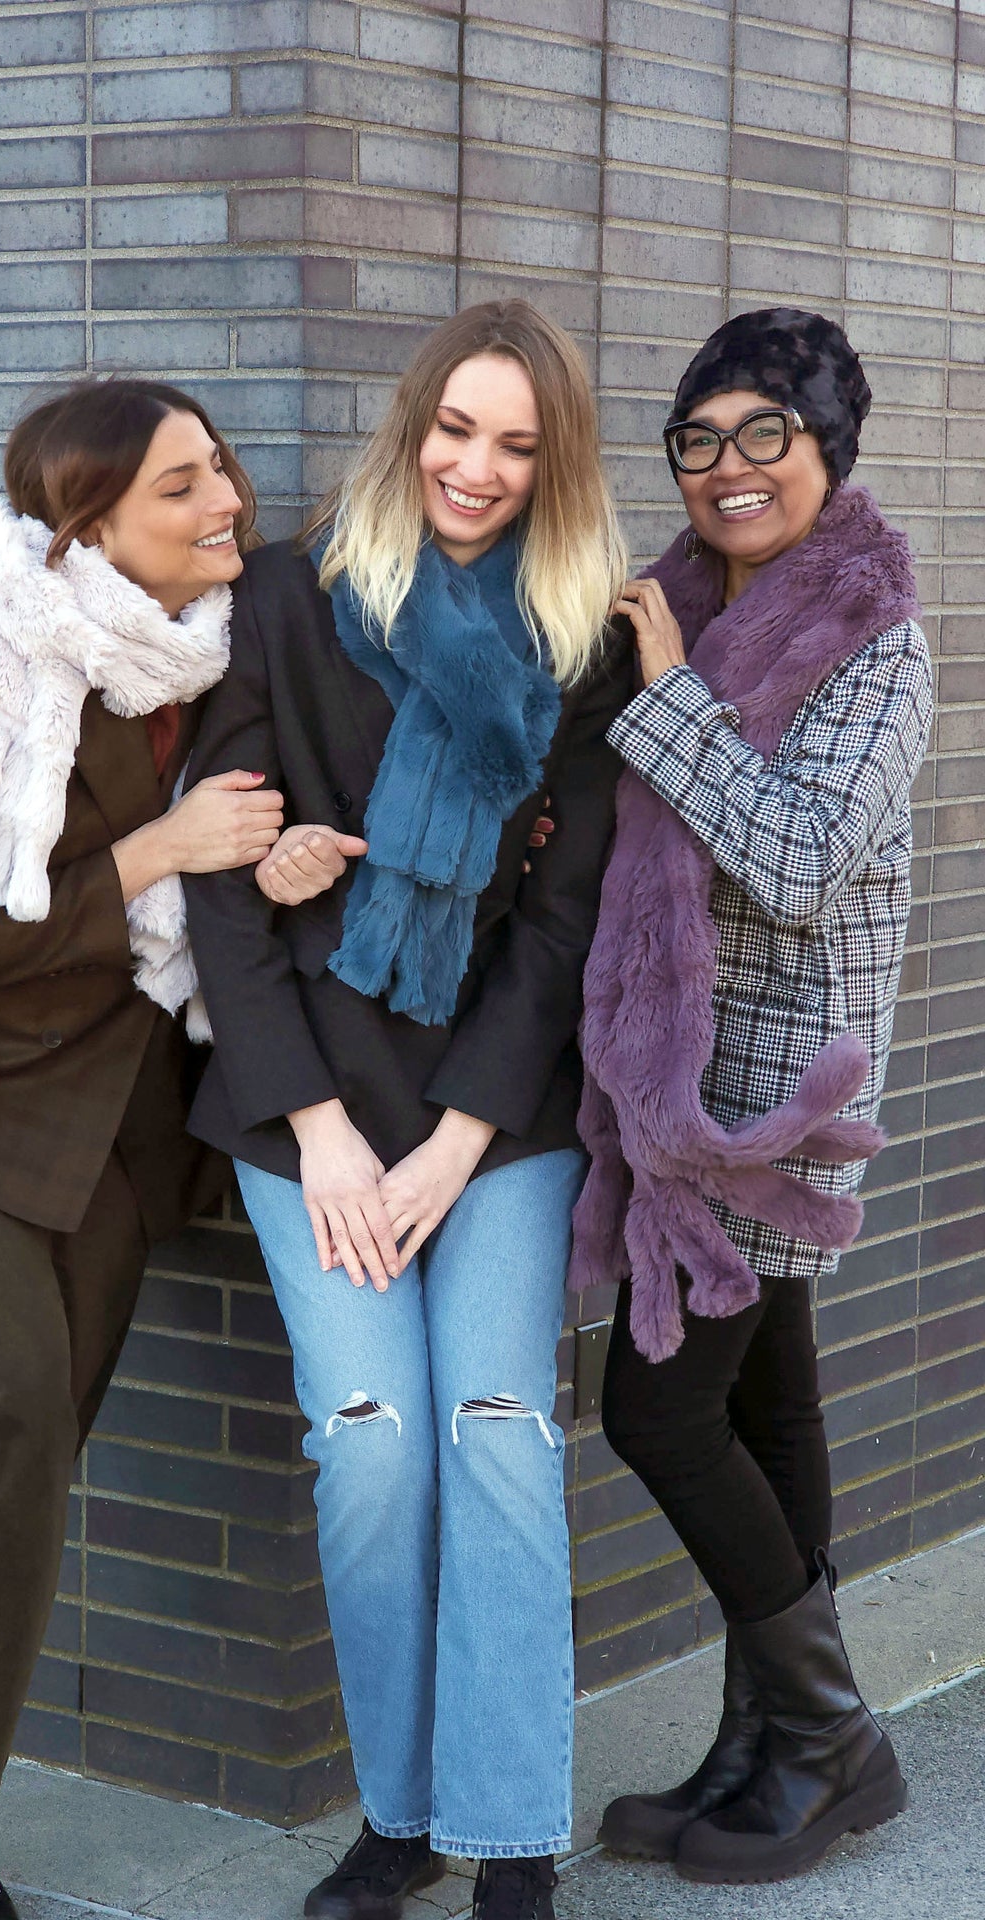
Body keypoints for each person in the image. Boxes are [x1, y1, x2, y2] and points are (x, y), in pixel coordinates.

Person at [0, 377, 347, 1920]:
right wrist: (165, 848)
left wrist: (275, 861)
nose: (225, 498)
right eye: (181, 486)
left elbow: (237, 868)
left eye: (219, 468)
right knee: (2, 1424)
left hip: (99, 1115)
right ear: (87, 527)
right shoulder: (2, 657)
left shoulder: (221, 649)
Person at [182, 300, 632, 1920]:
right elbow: (226, 876)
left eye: (518, 444)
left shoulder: (578, 642)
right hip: (310, 1098)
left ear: (554, 462)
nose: (478, 467)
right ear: (411, 422)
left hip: (494, 1112)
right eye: (458, 429)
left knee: (496, 1432)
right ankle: (402, 1810)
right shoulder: (294, 601)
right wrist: (315, 1127)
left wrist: (452, 1141)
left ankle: (509, 1840)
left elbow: (569, 913)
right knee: (374, 1448)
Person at [571, 308, 933, 1884]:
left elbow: (791, 861)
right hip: (682, 1065)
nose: (728, 470)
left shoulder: (874, 637)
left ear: (828, 449)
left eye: (762, 435)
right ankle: (768, 1742)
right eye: (700, 440)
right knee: (763, 1393)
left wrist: (660, 690)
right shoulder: (695, 605)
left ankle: (835, 1737)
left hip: (773, 1096)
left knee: (654, 1405)